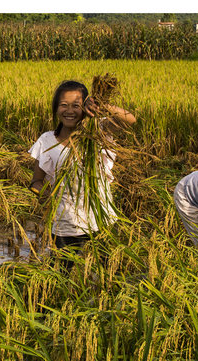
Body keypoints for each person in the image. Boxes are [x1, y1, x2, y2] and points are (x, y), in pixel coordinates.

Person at [28, 80, 136, 267]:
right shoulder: (46, 141)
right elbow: (36, 181)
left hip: (101, 219)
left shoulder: (99, 131)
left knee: (109, 274)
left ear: (86, 107)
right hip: (65, 223)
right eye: (63, 105)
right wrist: (45, 193)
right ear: (55, 108)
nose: (69, 110)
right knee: (61, 274)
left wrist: (102, 105)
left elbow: (130, 119)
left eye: (76, 105)